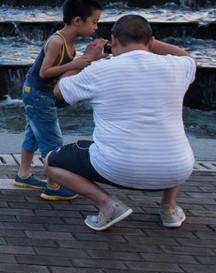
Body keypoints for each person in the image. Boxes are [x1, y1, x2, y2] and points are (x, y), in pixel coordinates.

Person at [47, 14, 196, 231]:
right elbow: (187, 56)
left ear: (113, 40)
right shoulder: (177, 66)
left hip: (117, 167)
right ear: (151, 41)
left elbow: (60, 91)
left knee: (52, 162)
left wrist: (86, 58)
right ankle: (169, 208)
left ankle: (108, 205)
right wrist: (151, 42)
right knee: (166, 140)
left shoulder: (99, 70)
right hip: (177, 168)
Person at [13, 0, 105, 200]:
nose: (96, 27)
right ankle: (54, 186)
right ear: (77, 21)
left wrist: (87, 59)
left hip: (38, 93)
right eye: (94, 22)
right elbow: (45, 72)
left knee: (33, 134)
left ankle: (24, 174)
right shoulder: (57, 41)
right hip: (37, 94)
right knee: (51, 140)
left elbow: (62, 73)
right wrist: (76, 63)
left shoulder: (70, 43)